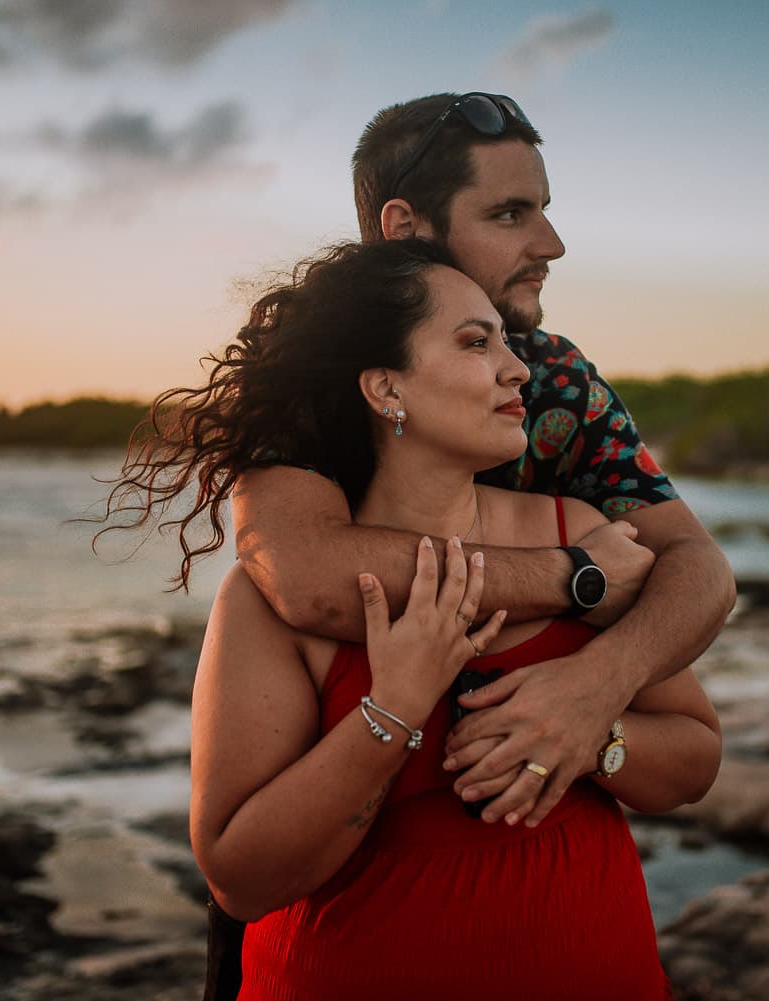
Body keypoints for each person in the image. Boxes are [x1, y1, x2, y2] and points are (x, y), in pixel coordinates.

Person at [108, 238, 722, 997]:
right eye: (474, 341)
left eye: (503, 338)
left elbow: (695, 760)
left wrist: (593, 729)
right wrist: (393, 710)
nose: (518, 368)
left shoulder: (579, 538)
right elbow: (240, 878)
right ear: (384, 388)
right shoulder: (273, 600)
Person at [229, 93, 735, 830]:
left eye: (544, 208)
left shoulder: (550, 377)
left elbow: (700, 569)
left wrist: (597, 688)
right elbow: (307, 575)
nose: (551, 243)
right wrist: (575, 576)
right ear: (406, 227)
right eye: (510, 214)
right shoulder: (311, 372)